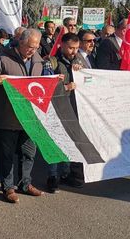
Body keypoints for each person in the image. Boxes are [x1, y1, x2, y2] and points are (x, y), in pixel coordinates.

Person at [0, 28, 46, 203]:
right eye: (29, 46)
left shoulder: (39, 61)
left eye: (35, 47)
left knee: (28, 154)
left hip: (30, 118)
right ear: (21, 42)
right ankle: (8, 187)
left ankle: (25, 183)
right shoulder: (4, 58)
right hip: (8, 117)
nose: (32, 50)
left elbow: (43, 82)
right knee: (7, 155)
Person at [47, 33, 85, 192]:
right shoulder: (51, 62)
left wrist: (81, 70)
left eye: (76, 48)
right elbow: (45, 86)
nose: (73, 51)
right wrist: (66, 87)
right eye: (70, 48)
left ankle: (66, 173)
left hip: (75, 109)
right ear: (61, 45)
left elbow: (90, 79)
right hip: (56, 109)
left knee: (69, 143)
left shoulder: (80, 61)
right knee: (55, 143)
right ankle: (53, 176)